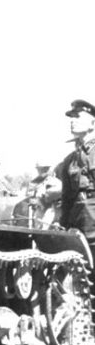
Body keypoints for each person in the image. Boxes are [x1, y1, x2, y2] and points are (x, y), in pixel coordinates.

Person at [56, 100, 95, 247]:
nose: (72, 121)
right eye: (71, 117)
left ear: (92, 123)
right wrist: (63, 227)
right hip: (77, 227)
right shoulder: (70, 160)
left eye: (78, 116)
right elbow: (66, 199)